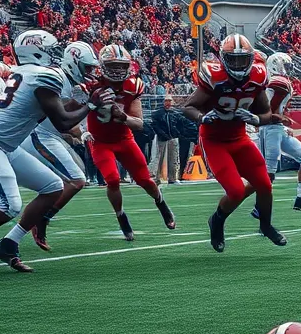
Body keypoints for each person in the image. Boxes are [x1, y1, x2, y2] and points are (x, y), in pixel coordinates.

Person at [0, 30, 99, 275]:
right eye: (51, 50)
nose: (55, 56)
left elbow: (53, 111)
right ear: (36, 51)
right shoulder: (44, 76)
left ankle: (9, 244)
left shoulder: (28, 72)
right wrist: (93, 104)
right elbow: (63, 122)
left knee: (53, 187)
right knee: (8, 204)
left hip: (3, 145)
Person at [182, 34, 287, 253]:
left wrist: (256, 119)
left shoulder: (257, 77)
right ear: (223, 59)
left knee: (265, 184)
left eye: (242, 60)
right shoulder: (214, 77)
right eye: (233, 60)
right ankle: (217, 221)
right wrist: (202, 117)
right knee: (236, 191)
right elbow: (188, 107)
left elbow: (265, 113)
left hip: (239, 138)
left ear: (251, 59)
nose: (238, 65)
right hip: (214, 140)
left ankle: (266, 226)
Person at [81, 44, 177, 241]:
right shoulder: (91, 85)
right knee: (113, 179)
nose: (117, 70)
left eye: (121, 66)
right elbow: (74, 108)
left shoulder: (133, 85)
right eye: (112, 65)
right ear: (102, 66)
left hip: (124, 139)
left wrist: (122, 116)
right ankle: (121, 216)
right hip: (100, 141)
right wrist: (82, 129)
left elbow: (139, 123)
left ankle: (161, 203)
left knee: (145, 180)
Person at [23, 43, 102, 250]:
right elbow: (61, 119)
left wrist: (81, 125)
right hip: (38, 134)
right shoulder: (56, 78)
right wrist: (89, 105)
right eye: (87, 67)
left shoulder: (66, 80)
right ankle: (41, 218)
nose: (89, 72)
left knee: (72, 179)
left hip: (49, 135)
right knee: (75, 181)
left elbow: (64, 115)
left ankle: (31, 224)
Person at [254, 52, 301, 213]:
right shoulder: (273, 83)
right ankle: (259, 207)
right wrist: (279, 118)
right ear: (276, 65)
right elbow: (262, 111)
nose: (288, 69)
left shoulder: (279, 82)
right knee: (270, 172)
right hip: (268, 130)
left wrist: (281, 122)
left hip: (278, 129)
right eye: (286, 65)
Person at [150, 97, 182, 185]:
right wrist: (163, 134)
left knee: (173, 157)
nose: (168, 103)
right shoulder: (158, 113)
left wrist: (177, 133)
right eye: (166, 101)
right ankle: (156, 178)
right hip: (162, 138)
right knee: (159, 157)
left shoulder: (175, 113)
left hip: (172, 137)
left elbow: (179, 124)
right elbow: (155, 126)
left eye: (170, 101)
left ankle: (172, 178)